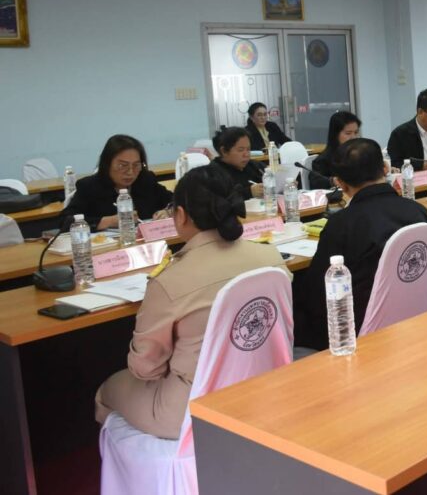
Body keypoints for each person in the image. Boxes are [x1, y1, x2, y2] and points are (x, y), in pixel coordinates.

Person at [94, 165, 288, 439]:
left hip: (191, 409)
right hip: (263, 387)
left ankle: (138, 463)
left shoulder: (170, 280)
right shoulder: (271, 257)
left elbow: (146, 368)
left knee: (108, 389)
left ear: (181, 215)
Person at [293, 138, 427, 350]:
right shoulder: (415, 209)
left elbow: (317, 293)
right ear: (385, 168)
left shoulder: (342, 224)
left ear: (340, 183)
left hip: (359, 329)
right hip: (414, 315)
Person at [60, 134, 172, 230]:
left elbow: (175, 200)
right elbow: (65, 221)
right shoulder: (89, 187)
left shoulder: (146, 180)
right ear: (107, 164)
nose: (130, 172)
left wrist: (169, 211)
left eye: (136, 165)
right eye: (123, 165)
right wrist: (108, 221)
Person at [311, 111, 362, 190]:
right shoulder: (322, 160)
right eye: (348, 133)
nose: (354, 137)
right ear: (335, 134)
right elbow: (316, 183)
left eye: (356, 132)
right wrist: (332, 181)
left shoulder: (360, 154)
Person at [209, 127, 264, 199]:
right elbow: (219, 199)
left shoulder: (252, 165)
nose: (246, 154)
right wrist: (249, 192)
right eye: (241, 150)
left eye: (248, 149)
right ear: (224, 151)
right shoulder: (213, 174)